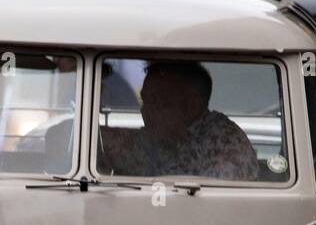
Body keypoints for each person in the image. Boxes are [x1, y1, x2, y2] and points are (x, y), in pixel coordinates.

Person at [102, 60, 258, 182]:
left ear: (192, 104)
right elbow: (114, 144)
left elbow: (218, 206)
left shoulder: (223, 141)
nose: (145, 110)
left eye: (158, 101)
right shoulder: (162, 136)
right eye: (145, 101)